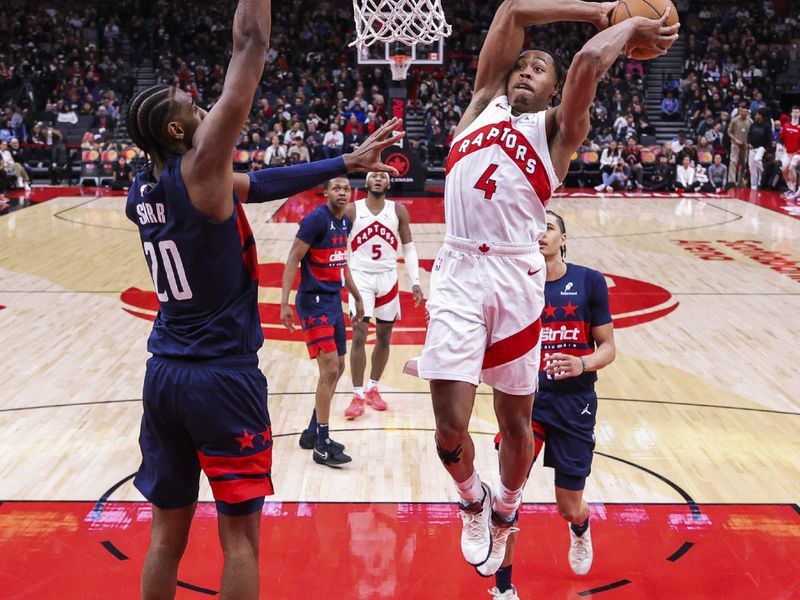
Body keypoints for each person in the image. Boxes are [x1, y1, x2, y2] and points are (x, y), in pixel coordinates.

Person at [123, 0, 403, 595]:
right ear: (178, 132)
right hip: (220, 377)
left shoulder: (142, 186)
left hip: (163, 374)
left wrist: (346, 162)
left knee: (164, 538)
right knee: (241, 541)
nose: (204, 111)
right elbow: (249, 44)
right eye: (192, 110)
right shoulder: (200, 168)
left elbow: (256, 185)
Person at [407, 0, 677, 579]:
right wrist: (599, 9)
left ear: (554, 90)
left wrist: (625, 25)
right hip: (456, 268)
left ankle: (506, 508)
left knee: (514, 422)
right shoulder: (479, 106)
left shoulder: (557, 130)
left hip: (514, 275)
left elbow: (585, 65)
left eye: (540, 69)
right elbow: (512, 10)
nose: (527, 68)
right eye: (522, 63)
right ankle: (472, 500)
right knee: (449, 427)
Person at [490, 211, 616, 599]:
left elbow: (608, 348)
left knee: (567, 505)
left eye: (546, 227)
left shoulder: (589, 281)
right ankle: (504, 587)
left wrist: (583, 362)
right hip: (527, 402)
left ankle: (580, 525)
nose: (538, 233)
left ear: (563, 238)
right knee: (508, 495)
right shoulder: (515, 284)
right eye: (533, 228)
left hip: (575, 401)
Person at [280, 177, 365, 467]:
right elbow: (293, 259)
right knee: (329, 367)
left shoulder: (345, 222)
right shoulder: (316, 220)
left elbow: (342, 263)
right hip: (313, 302)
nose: (342, 193)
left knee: (338, 367)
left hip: (333, 300)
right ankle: (322, 443)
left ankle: (313, 431)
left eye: (346, 189)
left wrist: (356, 296)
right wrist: (284, 303)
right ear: (326, 192)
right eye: (336, 188)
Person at [342, 171, 425, 419]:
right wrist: (343, 277)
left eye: (383, 177)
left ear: (389, 182)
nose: (378, 179)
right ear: (366, 182)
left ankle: (373, 388)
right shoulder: (352, 210)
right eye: (374, 176)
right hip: (361, 278)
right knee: (359, 335)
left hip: (388, 278)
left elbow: (409, 249)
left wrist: (416, 282)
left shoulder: (398, 211)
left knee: (384, 336)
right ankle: (357, 395)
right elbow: (338, 244)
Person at [727, 104, 752, 187]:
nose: (744, 113)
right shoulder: (734, 120)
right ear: (740, 111)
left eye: (745, 112)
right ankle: (731, 181)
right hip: (735, 144)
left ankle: (740, 181)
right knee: (733, 162)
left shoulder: (750, 122)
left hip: (745, 145)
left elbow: (752, 134)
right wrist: (735, 139)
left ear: (747, 112)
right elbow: (729, 132)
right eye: (742, 111)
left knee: (743, 163)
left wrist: (748, 143)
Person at [778, 106, 800, 200]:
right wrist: (781, 146)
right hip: (787, 152)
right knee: (783, 169)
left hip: (797, 153)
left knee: (791, 168)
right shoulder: (786, 126)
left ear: (799, 114)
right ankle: (790, 188)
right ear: (791, 114)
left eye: (797, 112)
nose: (795, 114)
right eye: (794, 112)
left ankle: (794, 190)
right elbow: (781, 138)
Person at [747, 110, 772, 190]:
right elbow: (749, 135)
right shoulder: (753, 125)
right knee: (752, 167)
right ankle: (753, 186)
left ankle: (763, 173)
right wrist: (748, 143)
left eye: (757, 115)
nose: (755, 116)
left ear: (761, 116)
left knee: (757, 159)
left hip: (761, 147)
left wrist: (768, 149)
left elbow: (769, 138)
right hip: (752, 147)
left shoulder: (767, 126)